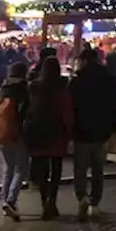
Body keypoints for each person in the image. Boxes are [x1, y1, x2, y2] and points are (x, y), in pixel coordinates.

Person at [69, 48, 116, 221]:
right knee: (98, 169)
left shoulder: (77, 81)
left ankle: (81, 196)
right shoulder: (108, 80)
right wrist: (112, 127)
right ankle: (95, 200)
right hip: (101, 131)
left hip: (81, 131)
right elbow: (115, 105)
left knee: (80, 168)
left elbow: (71, 107)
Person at [23, 55, 73, 220]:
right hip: (57, 132)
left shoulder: (35, 87)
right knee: (56, 169)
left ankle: (45, 202)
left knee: (43, 171)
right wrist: (68, 129)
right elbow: (66, 110)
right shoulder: (62, 87)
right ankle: (53, 201)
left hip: (39, 132)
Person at [0, 62, 30, 221]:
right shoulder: (23, 90)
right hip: (17, 132)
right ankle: (11, 201)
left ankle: (4, 201)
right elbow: (24, 113)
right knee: (20, 167)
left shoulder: (4, 88)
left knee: (8, 167)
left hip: (2, 132)